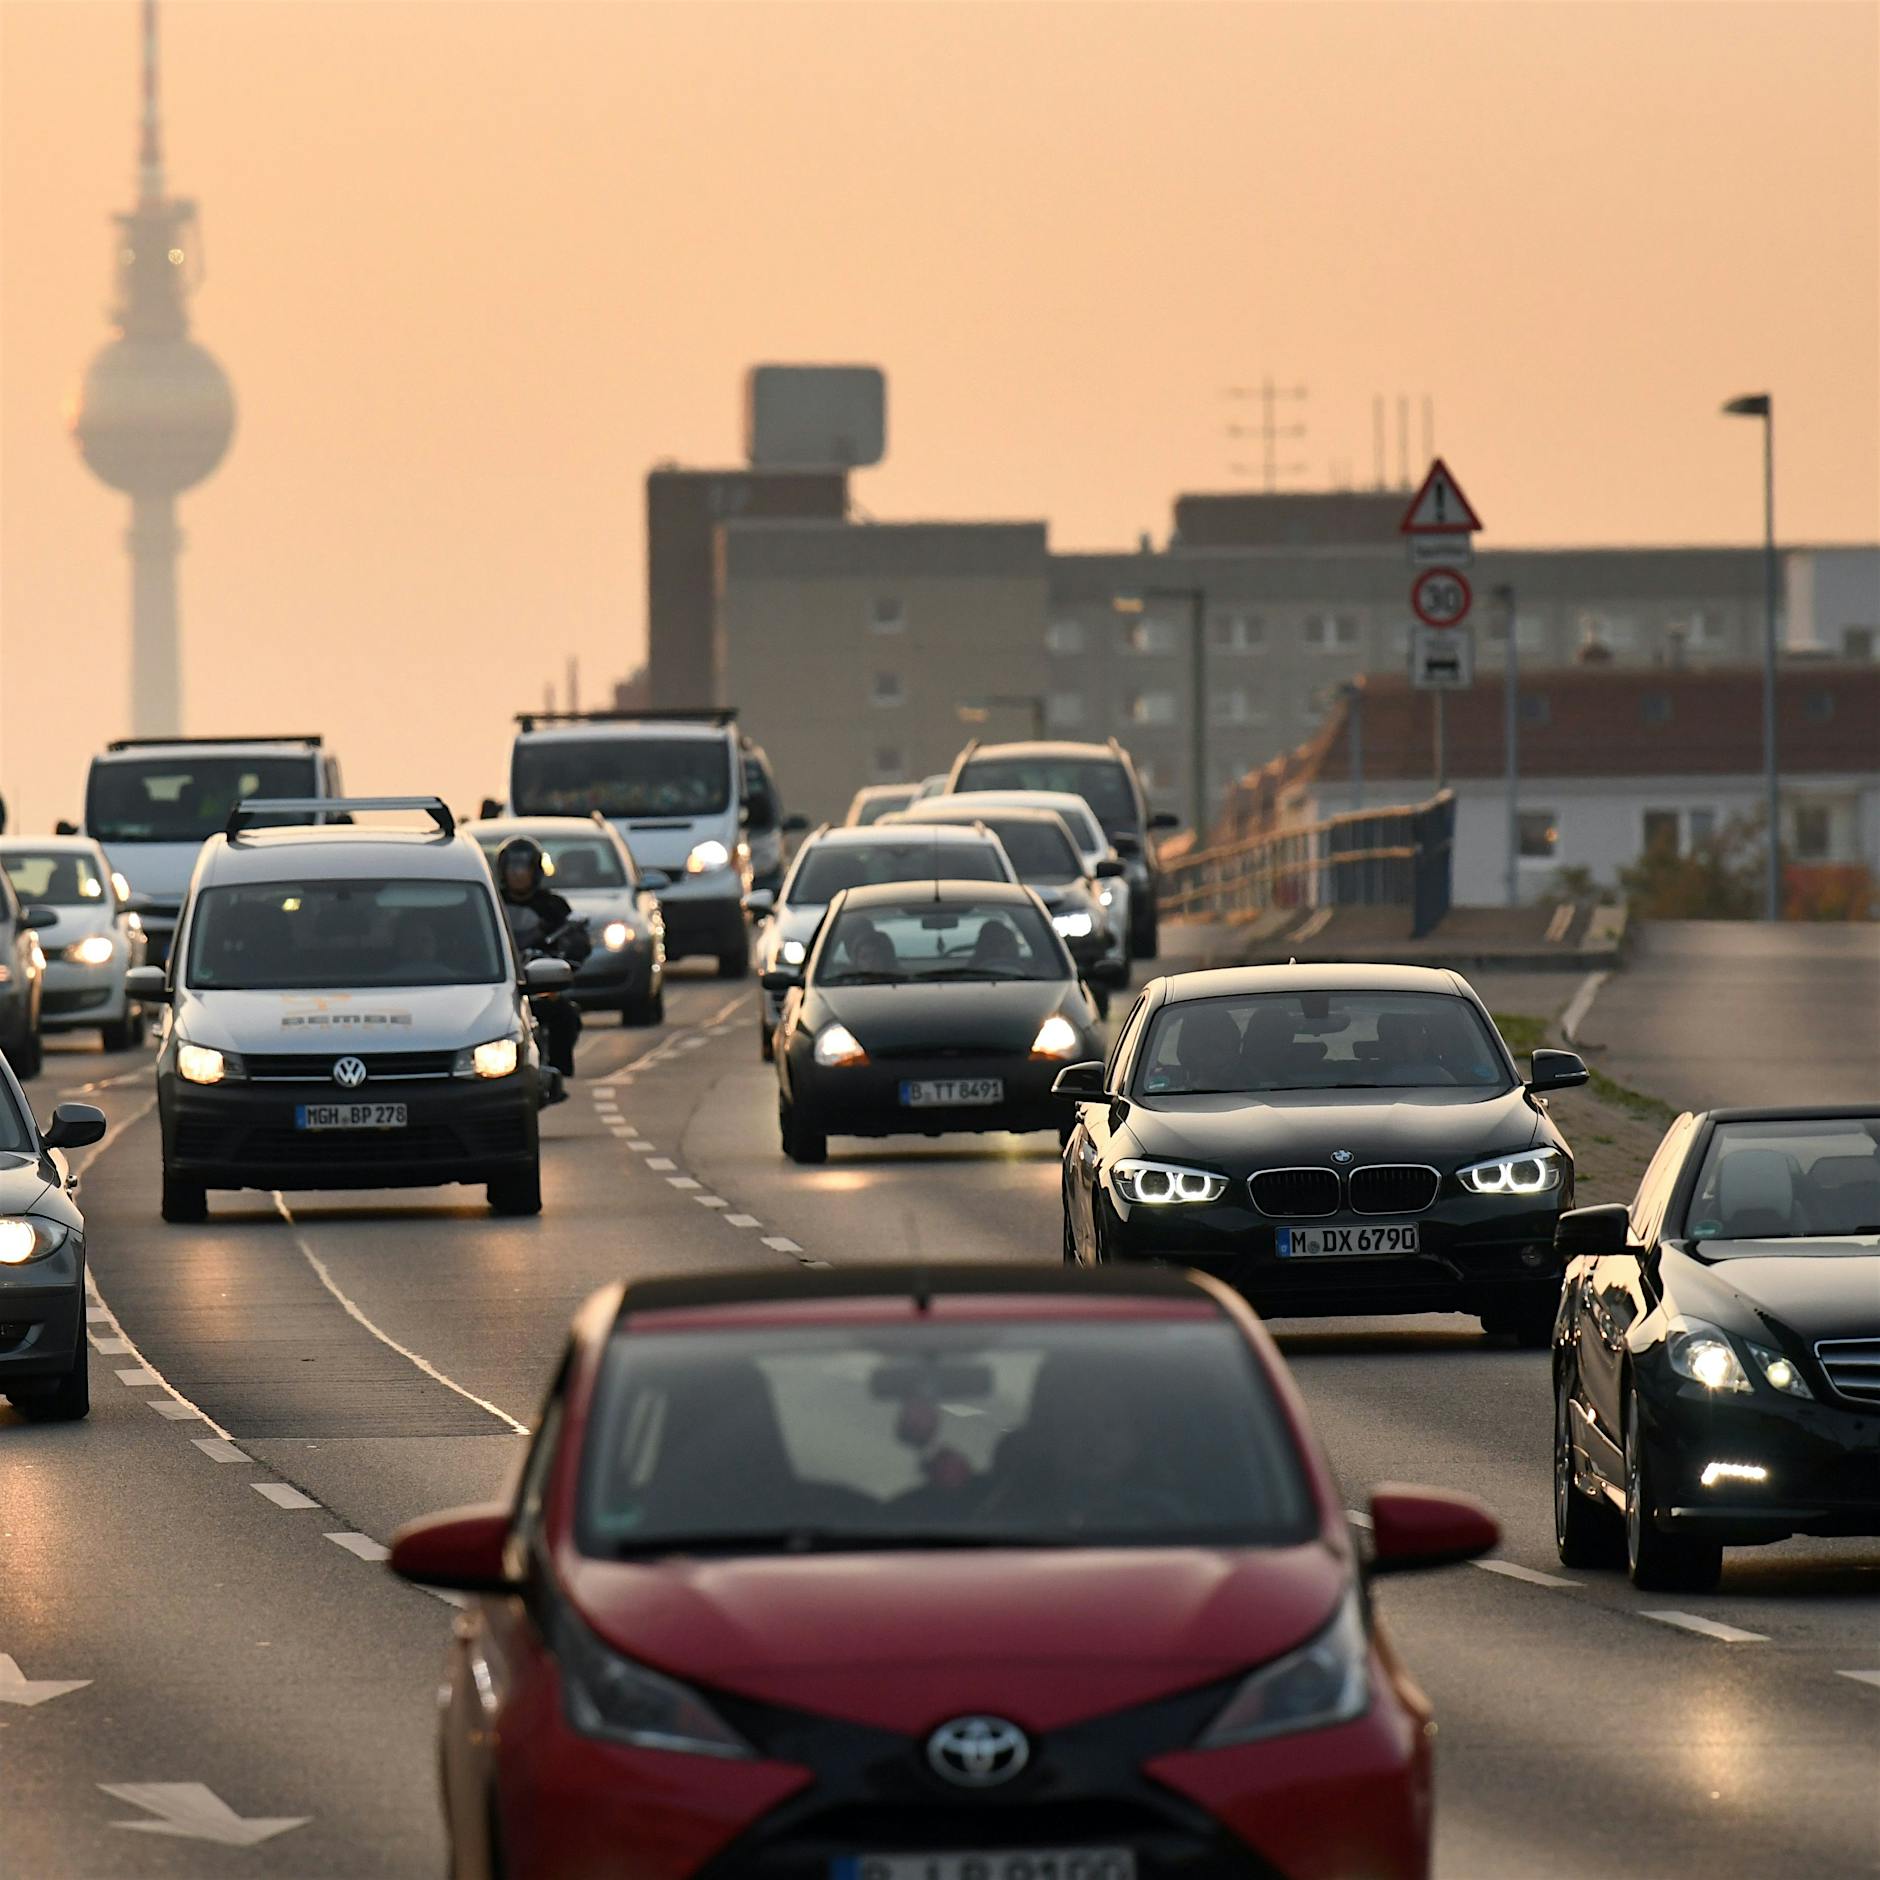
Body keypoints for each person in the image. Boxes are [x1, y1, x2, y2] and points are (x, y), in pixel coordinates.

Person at [496, 836, 588, 1085]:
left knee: (564, 1013)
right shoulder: (495, 903)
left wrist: (569, 951)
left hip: (541, 977)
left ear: (535, 870)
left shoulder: (553, 905)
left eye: (523, 868)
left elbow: (577, 939)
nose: (517, 874)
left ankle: (558, 1070)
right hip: (504, 979)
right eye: (512, 867)